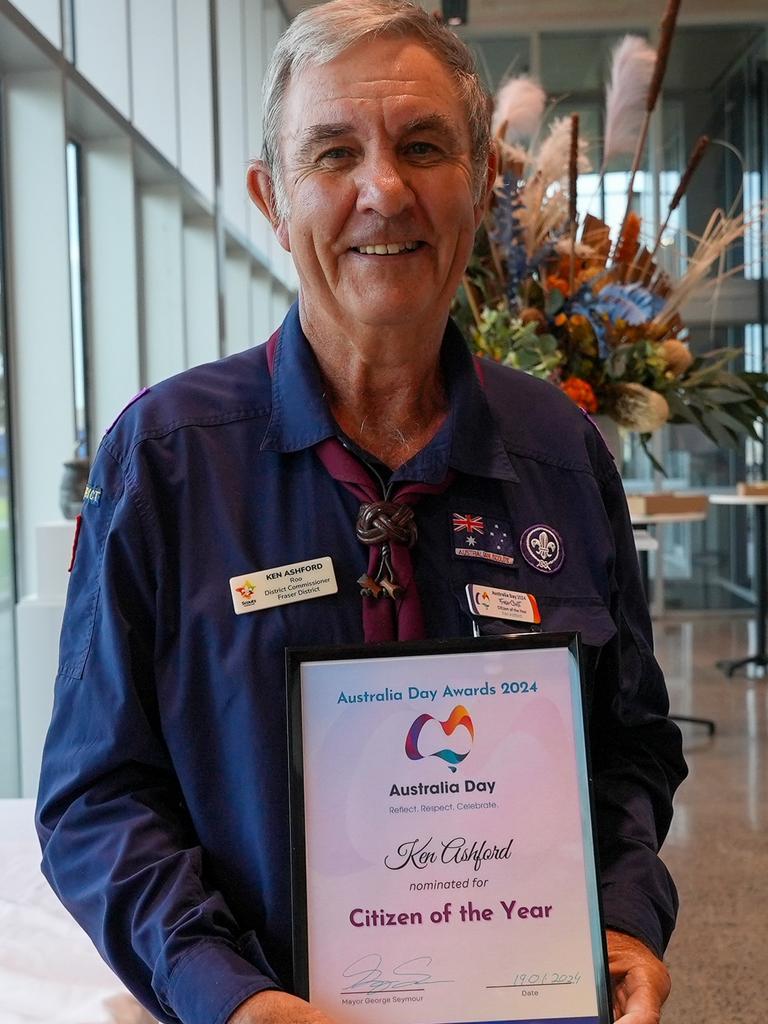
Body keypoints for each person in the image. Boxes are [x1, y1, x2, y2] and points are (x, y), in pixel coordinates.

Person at [36, 2, 687, 1023]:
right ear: (272, 198)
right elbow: (94, 793)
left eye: (422, 146)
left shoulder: (559, 452)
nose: (383, 189)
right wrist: (226, 992)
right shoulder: (167, 460)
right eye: (334, 152)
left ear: (478, 189)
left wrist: (625, 917)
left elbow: (635, 744)